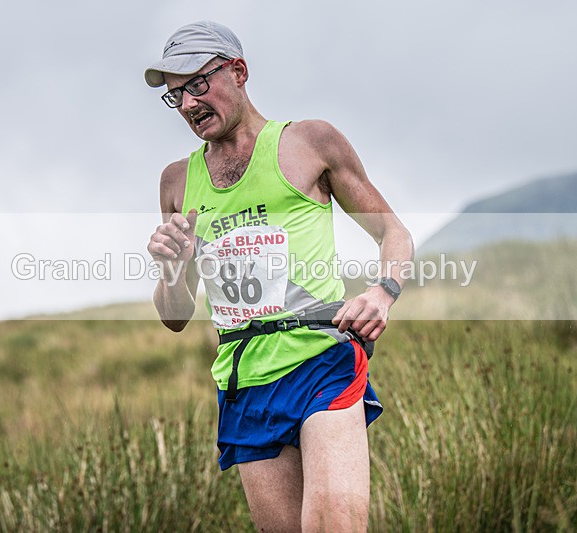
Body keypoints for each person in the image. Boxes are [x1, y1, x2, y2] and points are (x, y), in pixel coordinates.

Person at [145, 21, 414, 531]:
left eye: (197, 84)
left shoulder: (310, 143)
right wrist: (171, 271)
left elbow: (394, 234)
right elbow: (175, 316)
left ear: (239, 72)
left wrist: (383, 291)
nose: (186, 104)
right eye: (175, 94)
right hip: (244, 381)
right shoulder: (177, 182)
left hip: (321, 361)